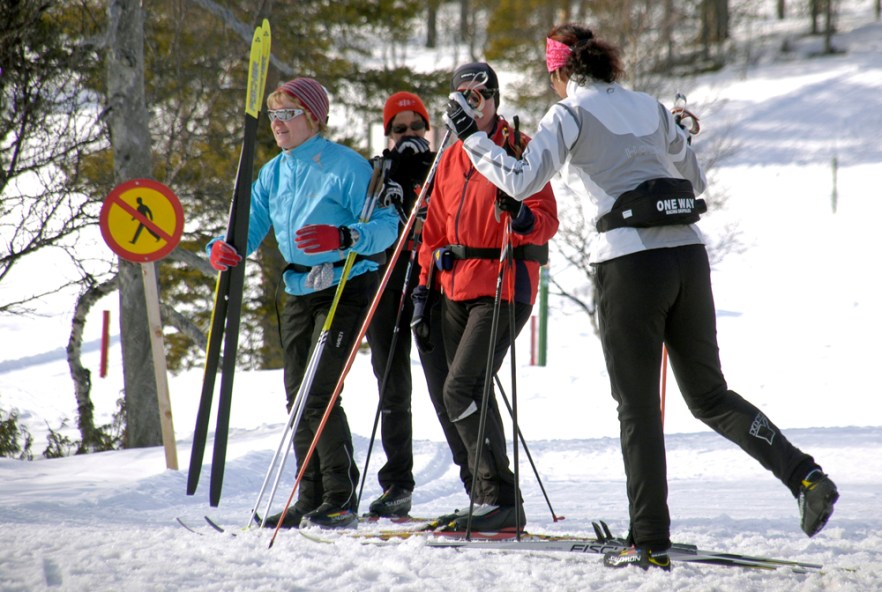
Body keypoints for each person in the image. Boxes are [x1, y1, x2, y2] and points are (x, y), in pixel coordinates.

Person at [444, 24, 839, 568]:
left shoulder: (569, 113)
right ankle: (805, 475)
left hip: (630, 263)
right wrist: (676, 133)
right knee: (709, 396)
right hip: (688, 257)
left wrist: (471, 137)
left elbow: (520, 178)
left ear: (560, 71)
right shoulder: (651, 107)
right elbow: (693, 179)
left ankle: (649, 539)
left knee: (637, 408)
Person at [207, 77, 399, 529]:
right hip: (297, 289)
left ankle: (340, 493)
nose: (278, 124)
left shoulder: (344, 167)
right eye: (274, 115)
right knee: (298, 395)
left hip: (344, 284)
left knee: (318, 390)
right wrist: (225, 246)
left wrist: (348, 235)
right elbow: (247, 227)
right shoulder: (273, 172)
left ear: (314, 117)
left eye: (289, 114)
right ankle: (308, 492)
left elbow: (389, 223)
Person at [415, 62, 559, 532]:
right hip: (454, 285)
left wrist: (520, 218)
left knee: (461, 388)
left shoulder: (515, 148)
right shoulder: (451, 156)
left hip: (503, 283)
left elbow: (545, 219)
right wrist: (422, 287)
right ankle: (490, 498)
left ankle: (499, 498)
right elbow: (433, 231)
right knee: (465, 389)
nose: (468, 104)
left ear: (494, 100)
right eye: (460, 96)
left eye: (477, 96)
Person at [365, 92, 474, 518]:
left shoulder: (444, 164)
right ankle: (397, 484)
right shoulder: (378, 170)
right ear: (388, 134)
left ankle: (476, 480)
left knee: (446, 382)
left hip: (432, 281)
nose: (409, 136)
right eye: (399, 129)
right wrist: (382, 193)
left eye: (416, 127)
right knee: (391, 383)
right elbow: (362, 219)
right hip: (388, 278)